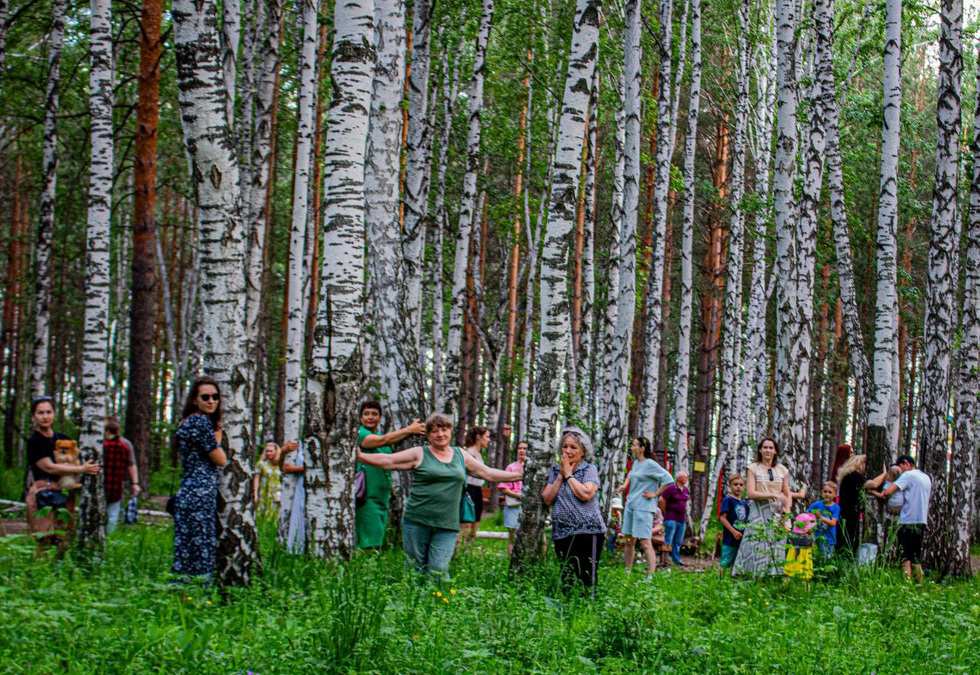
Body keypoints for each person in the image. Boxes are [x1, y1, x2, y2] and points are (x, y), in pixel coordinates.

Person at [355, 413, 521, 580]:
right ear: (428, 435)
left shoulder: (460, 455)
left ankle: (438, 602)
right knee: (415, 569)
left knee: (438, 569)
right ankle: (415, 604)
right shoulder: (420, 453)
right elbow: (388, 460)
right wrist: (361, 456)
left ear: (450, 432)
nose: (440, 434)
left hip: (447, 524)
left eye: (443, 429)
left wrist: (520, 476)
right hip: (417, 521)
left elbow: (488, 473)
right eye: (434, 431)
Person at [25, 396, 100, 554]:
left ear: (54, 414)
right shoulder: (34, 441)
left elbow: (75, 461)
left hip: (65, 492)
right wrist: (81, 469)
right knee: (44, 538)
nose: (45, 416)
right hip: (42, 494)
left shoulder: (63, 439)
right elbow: (49, 467)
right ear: (33, 416)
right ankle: (39, 575)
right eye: (40, 413)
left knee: (64, 539)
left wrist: (79, 470)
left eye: (48, 412)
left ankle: (60, 573)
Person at [172, 376, 227, 583]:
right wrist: (218, 435)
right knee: (201, 547)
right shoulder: (201, 422)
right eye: (205, 397)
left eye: (215, 397)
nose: (211, 401)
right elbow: (220, 459)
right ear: (195, 399)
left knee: (186, 548)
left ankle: (183, 592)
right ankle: (199, 596)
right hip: (199, 494)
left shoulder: (186, 421)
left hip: (189, 492)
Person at [542, 427, 606, 596]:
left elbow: (586, 494)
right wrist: (561, 476)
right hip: (562, 532)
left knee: (587, 577)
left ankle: (590, 610)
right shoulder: (555, 471)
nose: (568, 451)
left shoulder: (589, 469)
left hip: (588, 531)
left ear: (583, 451)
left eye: (573, 447)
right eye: (564, 446)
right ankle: (568, 612)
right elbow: (547, 498)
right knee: (567, 576)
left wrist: (569, 475)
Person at [355, 401, 426, 550]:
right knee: (368, 539)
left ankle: (370, 567)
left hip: (382, 495)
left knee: (377, 537)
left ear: (380, 417)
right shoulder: (360, 434)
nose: (370, 417)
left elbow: (392, 458)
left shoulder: (382, 436)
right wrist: (410, 429)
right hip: (366, 494)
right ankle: (363, 568)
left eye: (374, 414)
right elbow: (383, 440)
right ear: (360, 417)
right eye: (366, 414)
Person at [732, 437, 793, 576]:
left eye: (771, 448)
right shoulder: (753, 468)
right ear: (760, 450)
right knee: (756, 542)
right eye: (765, 447)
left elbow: (787, 493)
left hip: (778, 512)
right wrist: (771, 494)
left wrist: (787, 510)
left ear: (775, 451)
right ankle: (749, 573)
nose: (768, 450)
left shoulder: (782, 470)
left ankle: (773, 574)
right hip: (759, 510)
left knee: (777, 542)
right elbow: (751, 493)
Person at [617, 437, 673, 576]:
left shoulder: (650, 464)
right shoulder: (636, 463)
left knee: (645, 543)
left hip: (644, 507)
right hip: (631, 505)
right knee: (629, 540)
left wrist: (656, 494)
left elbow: (668, 479)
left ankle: (650, 575)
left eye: (635, 445)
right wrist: (624, 485)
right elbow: (631, 474)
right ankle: (627, 573)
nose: (632, 447)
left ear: (642, 448)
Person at [878, 455, 932, 583]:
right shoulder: (926, 477)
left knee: (905, 557)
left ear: (906, 463)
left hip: (907, 520)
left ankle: (905, 585)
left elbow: (888, 492)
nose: (900, 471)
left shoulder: (908, 476)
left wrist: (877, 491)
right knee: (916, 556)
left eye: (900, 467)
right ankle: (919, 584)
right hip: (921, 520)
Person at [103, 416, 140, 533]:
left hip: (103, 484)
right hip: (116, 486)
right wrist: (135, 483)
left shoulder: (102, 445)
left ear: (107, 431)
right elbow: (131, 464)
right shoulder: (125, 445)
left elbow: (131, 464)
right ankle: (109, 536)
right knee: (113, 515)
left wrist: (135, 482)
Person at [836, 454, 871, 554]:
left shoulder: (848, 476)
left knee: (847, 537)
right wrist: (884, 474)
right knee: (849, 538)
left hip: (846, 512)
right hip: (849, 513)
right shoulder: (854, 476)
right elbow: (872, 484)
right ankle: (846, 557)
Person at [461, 426, 491, 543]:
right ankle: (458, 555)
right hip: (469, 490)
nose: (488, 440)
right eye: (487, 437)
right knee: (465, 526)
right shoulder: (469, 453)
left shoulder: (478, 454)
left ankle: (467, 552)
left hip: (478, 491)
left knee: (474, 529)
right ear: (479, 437)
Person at [498, 441, 526, 555]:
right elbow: (504, 489)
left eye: (525, 448)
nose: (522, 451)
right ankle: (511, 561)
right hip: (513, 505)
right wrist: (520, 495)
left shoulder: (536, 468)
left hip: (529, 506)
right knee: (513, 535)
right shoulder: (511, 467)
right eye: (520, 448)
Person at [659, 473, 691, 567]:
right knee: (668, 539)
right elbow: (661, 500)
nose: (686, 479)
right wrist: (665, 512)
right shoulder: (671, 488)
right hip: (671, 517)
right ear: (678, 478)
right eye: (684, 477)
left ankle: (676, 559)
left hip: (682, 519)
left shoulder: (686, 490)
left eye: (686, 477)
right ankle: (665, 559)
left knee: (678, 541)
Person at [718, 474, 748, 575]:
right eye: (735, 484)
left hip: (741, 538)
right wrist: (733, 531)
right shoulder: (728, 500)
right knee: (725, 561)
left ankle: (732, 582)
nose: (738, 487)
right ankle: (719, 581)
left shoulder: (744, 504)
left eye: (741, 484)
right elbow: (722, 518)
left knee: (737, 562)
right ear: (730, 486)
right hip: (730, 538)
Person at [783, 512, 817, 587]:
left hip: (793, 557)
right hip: (805, 559)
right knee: (805, 577)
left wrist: (784, 523)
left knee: (788, 574)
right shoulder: (809, 538)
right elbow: (813, 546)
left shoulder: (793, 535)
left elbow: (786, 530)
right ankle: (806, 591)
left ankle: (785, 589)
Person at [808, 481, 841, 558]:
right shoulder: (817, 504)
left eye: (830, 492)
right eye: (825, 491)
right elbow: (808, 514)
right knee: (815, 557)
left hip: (829, 539)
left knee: (826, 559)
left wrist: (821, 517)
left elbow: (833, 523)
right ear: (822, 492)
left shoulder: (836, 507)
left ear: (835, 494)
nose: (827, 494)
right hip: (817, 537)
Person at [253, 442, 282, 520]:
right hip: (264, 492)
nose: (268, 453)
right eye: (267, 451)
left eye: (271, 451)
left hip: (277, 493)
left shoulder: (280, 464)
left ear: (276, 452)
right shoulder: (261, 463)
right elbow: (257, 478)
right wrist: (255, 493)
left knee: (276, 515)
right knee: (262, 515)